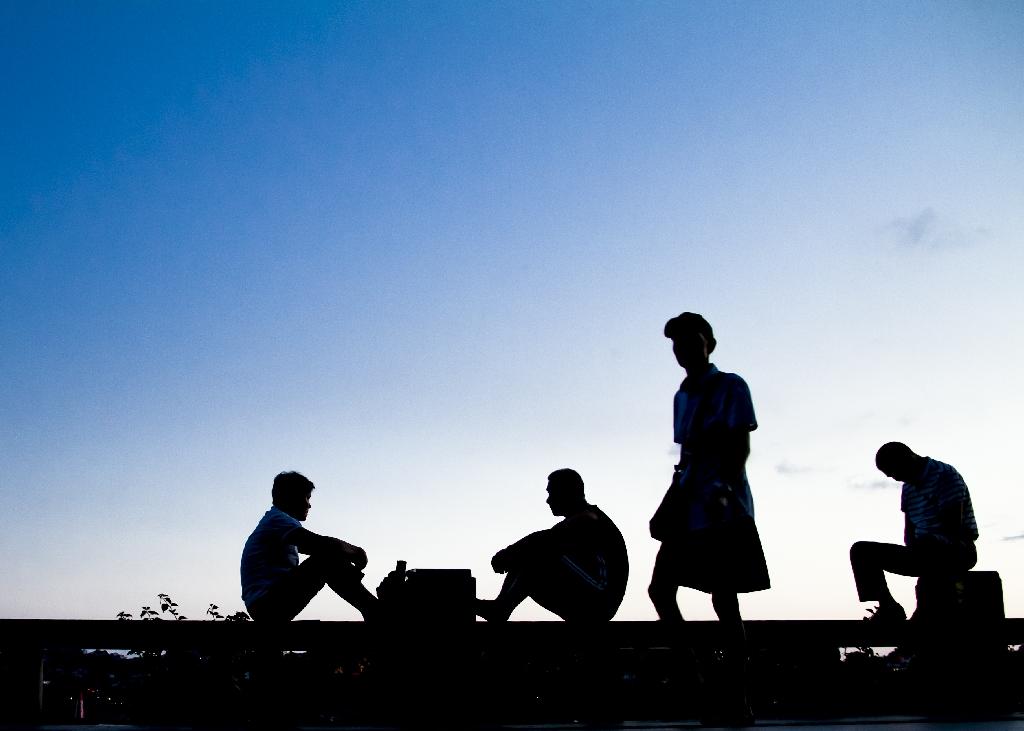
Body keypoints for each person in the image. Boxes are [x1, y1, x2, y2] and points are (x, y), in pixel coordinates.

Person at [648, 312, 769, 726]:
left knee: (724, 601)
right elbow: (684, 458)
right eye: (676, 344)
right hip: (688, 505)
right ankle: (698, 680)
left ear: (709, 343)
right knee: (661, 589)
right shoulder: (681, 397)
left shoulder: (731, 385)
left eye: (690, 340)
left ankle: (738, 698)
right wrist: (668, 501)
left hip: (724, 507)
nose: (682, 349)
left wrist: (721, 492)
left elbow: (739, 447)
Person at [476, 468, 628, 622]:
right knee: (532, 551)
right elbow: (542, 540)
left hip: (598, 602)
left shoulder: (589, 517)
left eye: (552, 493)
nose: (548, 500)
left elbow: (542, 540)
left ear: (568, 491)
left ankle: (501, 608)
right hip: (593, 601)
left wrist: (507, 554)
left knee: (535, 553)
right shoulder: (575, 523)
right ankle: (501, 606)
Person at [850, 442, 979, 622]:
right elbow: (909, 528)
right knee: (862, 551)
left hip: (957, 551)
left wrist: (927, 544)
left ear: (908, 459)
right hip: (923, 551)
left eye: (893, 471)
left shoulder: (945, 475)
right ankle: (888, 607)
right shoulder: (908, 486)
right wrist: (912, 550)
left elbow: (953, 528)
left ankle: (926, 613)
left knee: (931, 548)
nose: (892, 477)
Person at [240, 471, 380, 621]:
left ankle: (373, 609)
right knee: (327, 557)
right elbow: (319, 544)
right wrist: (356, 551)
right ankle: (375, 610)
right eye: (307, 497)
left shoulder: (278, 523)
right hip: (267, 605)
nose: (309, 504)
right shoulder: (278, 519)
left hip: (267, 603)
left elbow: (312, 546)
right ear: (291, 496)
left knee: (328, 555)